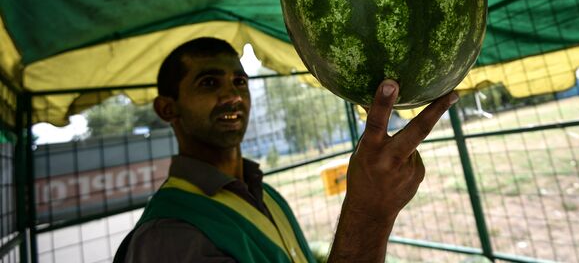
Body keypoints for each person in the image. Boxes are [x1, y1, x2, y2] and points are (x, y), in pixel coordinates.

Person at [114, 37, 459, 263]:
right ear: (167, 109)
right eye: (208, 83)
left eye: (240, 82)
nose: (233, 95)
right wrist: (368, 215)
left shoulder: (268, 197)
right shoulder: (168, 238)